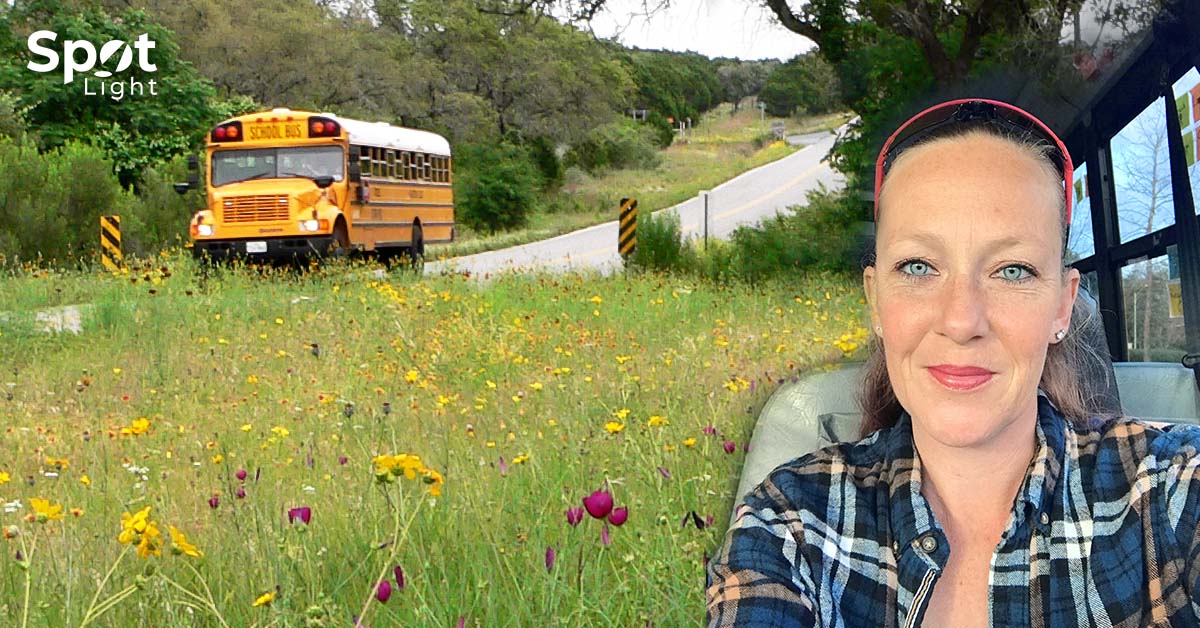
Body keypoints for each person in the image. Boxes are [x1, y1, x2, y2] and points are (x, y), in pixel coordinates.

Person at [705, 99, 1200, 627]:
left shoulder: (1171, 489)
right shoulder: (789, 527)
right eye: (919, 266)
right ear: (876, 301)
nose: (962, 320)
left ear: (1062, 304)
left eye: (1012, 270)